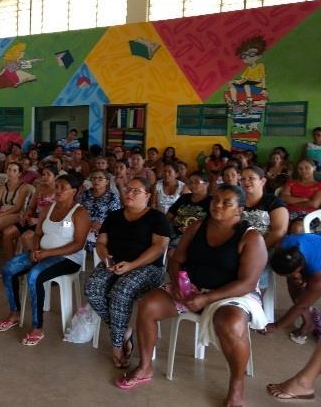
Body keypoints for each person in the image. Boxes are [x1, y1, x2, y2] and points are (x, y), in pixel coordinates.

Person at [124, 185, 267, 407]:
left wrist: (206, 298)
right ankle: (145, 366)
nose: (218, 205)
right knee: (148, 305)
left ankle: (237, 385)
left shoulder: (251, 238)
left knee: (229, 322)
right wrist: (180, 286)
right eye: (215, 200)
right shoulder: (197, 228)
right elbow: (176, 260)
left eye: (227, 203)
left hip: (233, 293)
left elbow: (246, 283)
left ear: (239, 210)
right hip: (192, 288)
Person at [85, 177, 171, 368]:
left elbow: (158, 248)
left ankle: (117, 347)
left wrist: (132, 265)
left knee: (120, 292)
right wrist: (106, 257)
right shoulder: (114, 216)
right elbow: (101, 242)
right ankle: (124, 332)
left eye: (136, 191)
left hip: (148, 268)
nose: (129, 194)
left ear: (147, 196)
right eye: (128, 189)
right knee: (93, 287)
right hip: (115, 263)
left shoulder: (157, 218)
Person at [0, 174, 89, 345]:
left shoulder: (80, 212)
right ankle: (14, 312)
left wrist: (47, 253)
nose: (58, 190)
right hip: (42, 252)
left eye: (63, 188)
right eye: (57, 186)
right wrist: (36, 249)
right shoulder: (49, 208)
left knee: (34, 275)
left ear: (73, 191)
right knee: (8, 268)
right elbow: (38, 233)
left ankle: (37, 327)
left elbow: (78, 244)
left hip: (68, 258)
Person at [263, 234, 321, 343]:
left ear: (299, 268)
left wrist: (276, 326)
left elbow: (301, 305)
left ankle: (308, 324)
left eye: (289, 274)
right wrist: (296, 277)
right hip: (314, 249)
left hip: (318, 265)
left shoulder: (317, 275)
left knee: (303, 302)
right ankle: (308, 322)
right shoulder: (283, 246)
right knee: (294, 284)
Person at [240, 166, 288, 294]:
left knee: (252, 270)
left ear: (262, 181)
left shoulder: (273, 202)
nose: (246, 182)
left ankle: (255, 299)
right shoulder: (237, 202)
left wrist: (257, 251)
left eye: (251, 178)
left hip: (265, 246)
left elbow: (279, 231)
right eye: (243, 179)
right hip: (239, 245)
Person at [1, 164, 57, 259]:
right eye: (43, 174)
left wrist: (38, 220)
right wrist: (26, 215)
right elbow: (31, 207)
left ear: (55, 176)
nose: (45, 177)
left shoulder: (58, 191)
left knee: (26, 237)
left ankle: (32, 265)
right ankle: (11, 265)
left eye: (48, 174)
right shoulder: (39, 188)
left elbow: (57, 214)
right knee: (7, 233)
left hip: (47, 222)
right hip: (34, 219)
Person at [77, 169, 121, 256]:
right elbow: (77, 212)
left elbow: (116, 218)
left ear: (106, 182)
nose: (96, 181)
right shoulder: (84, 194)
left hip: (103, 229)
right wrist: (86, 224)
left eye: (100, 178)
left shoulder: (112, 197)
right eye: (94, 178)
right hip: (84, 227)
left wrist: (101, 226)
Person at [167, 171, 212, 244]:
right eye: (190, 182)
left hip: (194, 237)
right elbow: (169, 215)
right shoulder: (184, 197)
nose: (192, 185)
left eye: (197, 182)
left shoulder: (211, 201)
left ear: (206, 184)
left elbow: (210, 225)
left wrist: (190, 230)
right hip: (173, 232)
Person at [280, 158, 321, 223]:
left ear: (314, 168)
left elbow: (314, 204)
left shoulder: (319, 185)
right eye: (300, 168)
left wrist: (291, 201)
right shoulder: (291, 182)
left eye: (307, 168)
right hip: (287, 212)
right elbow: (283, 198)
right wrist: (304, 199)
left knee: (297, 227)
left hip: (309, 215)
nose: (303, 170)